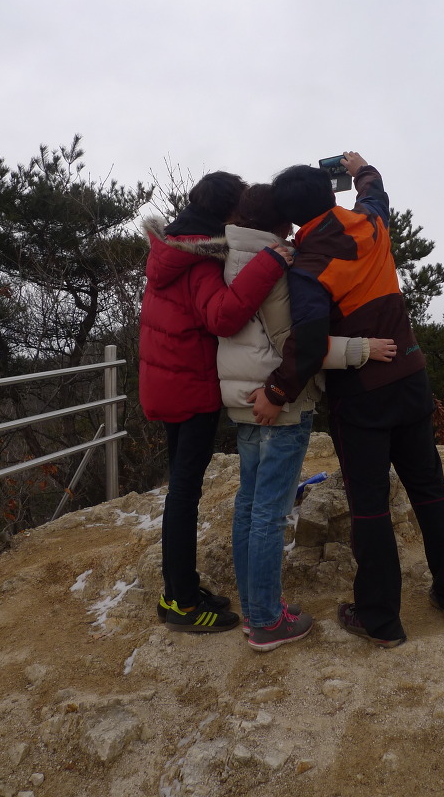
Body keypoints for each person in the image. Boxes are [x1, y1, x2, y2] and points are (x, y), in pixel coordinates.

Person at [251, 152, 444, 647]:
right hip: (411, 375)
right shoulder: (371, 224)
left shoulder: (308, 264)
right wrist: (361, 168)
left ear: (291, 218)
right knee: (430, 488)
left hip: (361, 396)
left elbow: (309, 342)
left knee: (370, 507)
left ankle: (380, 619)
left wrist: (276, 392)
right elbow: (376, 194)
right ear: (331, 193)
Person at [215, 184, 397, 652]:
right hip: (279, 404)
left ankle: (256, 611)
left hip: (242, 398)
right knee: (269, 515)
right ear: (281, 222)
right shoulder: (275, 265)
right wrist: (361, 349)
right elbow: (296, 345)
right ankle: (267, 621)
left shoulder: (231, 255)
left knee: (249, 507)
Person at [139, 170, 291, 634]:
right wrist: (270, 262)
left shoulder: (170, 250)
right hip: (191, 388)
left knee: (180, 489)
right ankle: (182, 603)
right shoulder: (200, 260)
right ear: (226, 211)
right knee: (185, 494)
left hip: (165, 384)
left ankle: (177, 589)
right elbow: (223, 318)